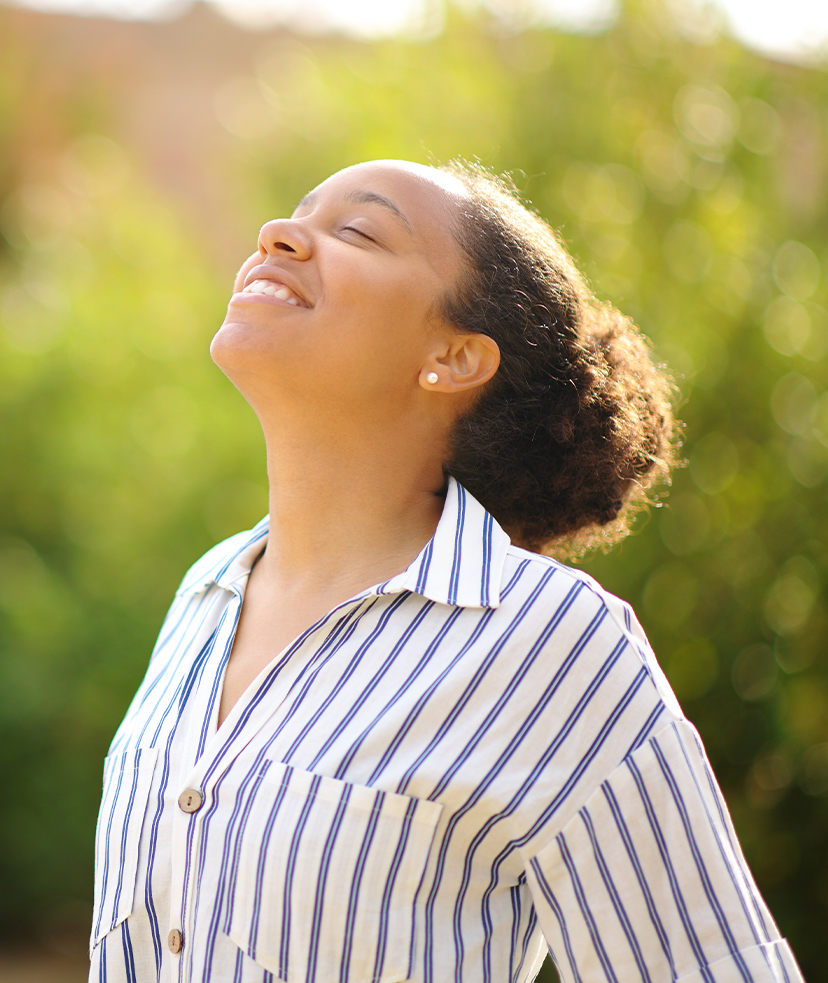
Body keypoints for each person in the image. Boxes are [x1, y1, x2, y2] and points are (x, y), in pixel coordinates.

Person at [89, 159, 803, 983]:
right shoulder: (207, 592)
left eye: (357, 231)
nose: (277, 236)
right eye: (296, 214)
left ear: (456, 357)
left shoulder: (549, 640)